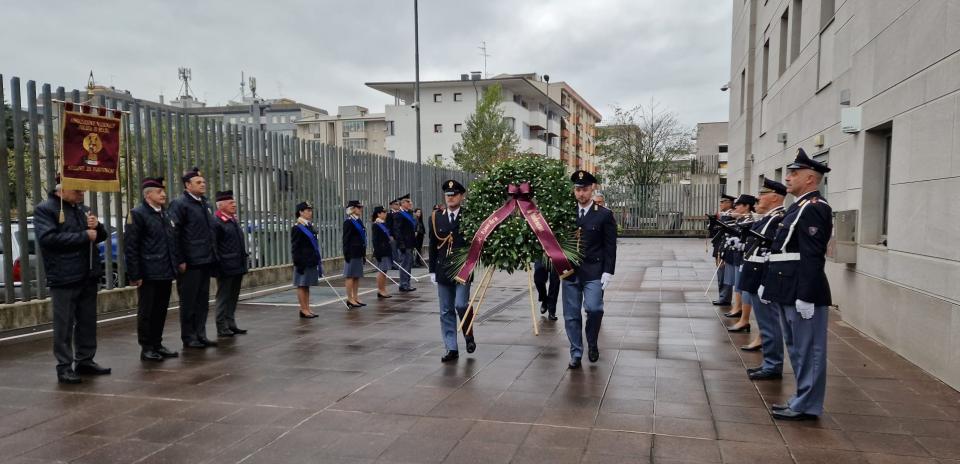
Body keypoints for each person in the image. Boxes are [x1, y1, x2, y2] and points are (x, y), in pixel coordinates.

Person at [760, 148, 833, 421]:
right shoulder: (799, 207)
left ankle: (807, 404)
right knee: (797, 348)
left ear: (811, 179)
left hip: (803, 290)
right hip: (786, 287)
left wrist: (806, 294)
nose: (788, 178)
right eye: (789, 173)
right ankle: (802, 398)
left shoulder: (815, 209)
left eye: (794, 173)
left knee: (809, 350)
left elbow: (812, 255)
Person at [34, 180, 110, 383]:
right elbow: (48, 239)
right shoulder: (45, 209)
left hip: (87, 273)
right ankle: (64, 366)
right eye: (77, 190)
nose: (82, 193)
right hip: (64, 276)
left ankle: (85, 360)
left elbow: (100, 236)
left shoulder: (82, 209)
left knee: (87, 322)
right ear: (62, 190)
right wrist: (84, 235)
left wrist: (98, 227)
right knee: (64, 325)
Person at [563, 170, 617, 369]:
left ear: (592, 188)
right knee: (571, 315)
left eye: (584, 189)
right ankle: (576, 352)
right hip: (569, 272)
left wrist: (608, 271)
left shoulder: (604, 215)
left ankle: (592, 341)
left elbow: (610, 245)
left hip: (594, 270)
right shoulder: (565, 213)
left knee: (594, 309)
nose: (581, 193)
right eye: (577, 189)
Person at [125, 176, 180, 362]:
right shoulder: (138, 214)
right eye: (159, 191)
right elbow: (131, 246)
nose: (163, 194)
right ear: (148, 195)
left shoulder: (164, 214)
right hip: (148, 272)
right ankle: (147, 347)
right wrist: (135, 274)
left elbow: (171, 242)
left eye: (163, 191)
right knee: (147, 311)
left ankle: (157, 343)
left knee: (161, 310)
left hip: (164, 269)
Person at [740, 179, 787, 377]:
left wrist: (767, 281)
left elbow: (773, 251)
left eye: (763, 193)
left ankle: (773, 364)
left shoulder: (778, 218)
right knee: (764, 322)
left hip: (763, 276)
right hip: (755, 274)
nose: (759, 197)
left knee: (770, 323)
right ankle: (770, 361)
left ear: (775, 197)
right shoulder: (767, 218)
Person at [168, 167, 218, 349]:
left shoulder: (205, 204)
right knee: (189, 302)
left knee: (202, 301)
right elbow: (175, 234)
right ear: (188, 185)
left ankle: (201, 334)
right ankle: (189, 337)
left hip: (205, 260)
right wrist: (180, 260)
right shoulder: (179, 204)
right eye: (198, 182)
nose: (203, 184)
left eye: (203, 182)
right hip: (190, 262)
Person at [429, 179, 475, 362]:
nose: (450, 198)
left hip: (463, 269)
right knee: (446, 310)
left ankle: (468, 334)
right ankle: (451, 348)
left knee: (461, 305)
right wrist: (432, 270)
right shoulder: (435, 217)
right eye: (448, 195)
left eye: (454, 194)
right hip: (442, 270)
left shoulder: (469, 216)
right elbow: (433, 245)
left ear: (462, 197)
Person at [213, 190, 249, 337]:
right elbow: (214, 245)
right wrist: (218, 264)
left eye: (234, 202)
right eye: (230, 203)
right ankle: (221, 326)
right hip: (225, 266)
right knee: (223, 297)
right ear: (221, 205)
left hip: (237, 264)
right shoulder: (217, 221)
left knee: (233, 296)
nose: (234, 205)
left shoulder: (232, 219)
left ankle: (231, 323)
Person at [725, 194, 757, 333]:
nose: (735, 207)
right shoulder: (741, 219)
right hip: (739, 256)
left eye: (738, 205)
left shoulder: (750, 220)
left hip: (747, 257)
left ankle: (744, 319)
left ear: (747, 207)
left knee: (744, 289)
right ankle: (738, 311)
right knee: (738, 286)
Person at [292, 201, 322, 318]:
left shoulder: (308, 226)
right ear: (300, 212)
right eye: (308, 210)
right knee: (301, 284)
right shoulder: (297, 228)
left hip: (310, 260)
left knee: (307, 285)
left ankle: (307, 308)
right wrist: (298, 263)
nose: (310, 212)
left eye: (311, 210)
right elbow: (295, 247)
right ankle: (303, 309)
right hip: (302, 261)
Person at [711, 194, 736, 306]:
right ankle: (723, 296)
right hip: (718, 245)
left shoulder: (732, 215)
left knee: (724, 273)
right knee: (720, 273)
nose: (720, 204)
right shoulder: (722, 215)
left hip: (725, 246)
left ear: (729, 203)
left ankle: (725, 298)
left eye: (723, 202)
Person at [342, 200, 367, 308]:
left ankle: (356, 297)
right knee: (350, 276)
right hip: (351, 253)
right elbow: (346, 239)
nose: (360, 209)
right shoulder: (348, 222)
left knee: (357, 276)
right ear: (352, 209)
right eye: (358, 207)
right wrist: (346, 253)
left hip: (359, 252)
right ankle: (350, 298)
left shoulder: (358, 221)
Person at [392, 193, 417, 292]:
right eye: (408, 201)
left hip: (410, 243)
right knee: (404, 264)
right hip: (404, 244)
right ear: (402, 203)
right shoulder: (398, 215)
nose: (410, 203)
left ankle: (407, 283)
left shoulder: (409, 213)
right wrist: (401, 243)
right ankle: (403, 284)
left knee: (409, 263)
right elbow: (397, 230)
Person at [370, 206, 393, 299]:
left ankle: (383, 289)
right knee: (381, 271)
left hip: (386, 249)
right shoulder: (376, 225)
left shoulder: (383, 223)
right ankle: (380, 290)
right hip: (381, 251)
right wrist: (378, 253)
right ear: (378, 214)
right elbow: (375, 241)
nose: (385, 214)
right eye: (383, 212)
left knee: (384, 271)